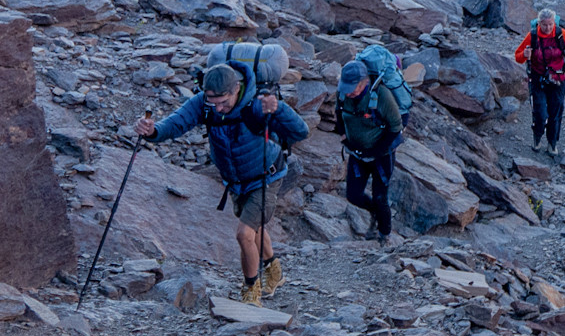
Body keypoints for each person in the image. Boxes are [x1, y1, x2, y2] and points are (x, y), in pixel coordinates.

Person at [137, 62, 306, 305]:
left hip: (266, 177)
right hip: (236, 182)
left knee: (244, 233)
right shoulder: (203, 105)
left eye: (223, 102)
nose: (218, 108)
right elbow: (175, 125)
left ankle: (251, 292)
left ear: (237, 88)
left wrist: (279, 109)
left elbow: (300, 132)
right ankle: (274, 271)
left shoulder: (257, 104)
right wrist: (152, 131)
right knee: (255, 228)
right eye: (212, 102)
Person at [335, 59, 403, 242]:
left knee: (380, 197)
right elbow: (339, 114)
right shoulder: (343, 95)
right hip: (357, 153)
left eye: (353, 87)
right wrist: (343, 136)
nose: (349, 92)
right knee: (353, 195)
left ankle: (384, 236)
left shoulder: (382, 95)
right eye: (346, 87)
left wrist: (377, 150)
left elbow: (396, 126)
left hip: (381, 156)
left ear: (364, 82)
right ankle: (374, 212)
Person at [514, 8, 565, 152]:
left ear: (554, 23)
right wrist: (524, 54)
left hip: (558, 79)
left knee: (555, 113)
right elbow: (518, 56)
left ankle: (552, 143)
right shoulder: (533, 36)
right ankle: (537, 137)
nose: (548, 28)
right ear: (539, 23)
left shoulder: (561, 34)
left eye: (550, 24)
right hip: (538, 79)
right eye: (544, 25)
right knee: (540, 113)